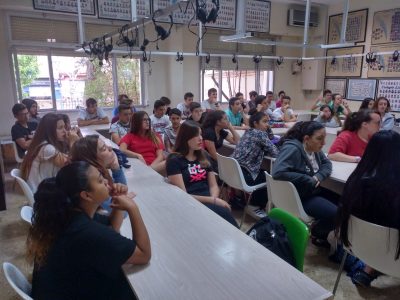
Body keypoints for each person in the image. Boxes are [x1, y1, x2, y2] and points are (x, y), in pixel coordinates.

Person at [28, 162, 151, 299]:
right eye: (100, 180)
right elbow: (144, 255)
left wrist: (118, 201)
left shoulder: (69, 213)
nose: (106, 181)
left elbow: (112, 227)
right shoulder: (84, 231)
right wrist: (133, 208)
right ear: (86, 195)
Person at [337, 130, 400, 287]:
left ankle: (368, 270)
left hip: (358, 247)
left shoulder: (355, 180)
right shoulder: (393, 188)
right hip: (392, 256)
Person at [273, 121, 339, 243]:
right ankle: (316, 232)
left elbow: (327, 163)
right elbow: (277, 172)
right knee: (338, 214)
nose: (324, 143)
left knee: (346, 202)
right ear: (306, 138)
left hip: (312, 191)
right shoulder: (293, 148)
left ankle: (325, 233)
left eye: (324, 138)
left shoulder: (314, 148)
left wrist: (318, 176)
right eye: (319, 139)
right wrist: (308, 179)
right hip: (300, 197)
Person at [166, 121, 238, 227]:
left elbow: (213, 185)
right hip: (190, 202)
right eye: (195, 135)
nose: (200, 138)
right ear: (185, 138)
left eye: (200, 134)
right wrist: (213, 201)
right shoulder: (175, 160)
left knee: (223, 214)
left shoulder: (203, 155)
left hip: (209, 199)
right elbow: (183, 195)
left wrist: (214, 200)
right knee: (225, 215)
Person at [231, 111, 279, 218]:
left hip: (234, 173)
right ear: (256, 123)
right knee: (270, 177)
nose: (268, 124)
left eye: (268, 122)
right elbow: (276, 153)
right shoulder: (260, 134)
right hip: (244, 175)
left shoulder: (248, 132)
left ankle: (250, 202)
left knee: (262, 173)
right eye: (265, 122)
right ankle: (254, 206)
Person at [20, 113, 79, 192]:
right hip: (43, 194)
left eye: (64, 127)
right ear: (49, 131)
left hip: (43, 188)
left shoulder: (42, 143)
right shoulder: (47, 148)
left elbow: (65, 156)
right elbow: (72, 165)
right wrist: (73, 142)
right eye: (60, 128)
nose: (65, 131)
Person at [71, 134, 127, 212]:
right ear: (92, 159)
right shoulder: (92, 184)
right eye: (104, 148)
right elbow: (123, 209)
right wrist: (116, 169)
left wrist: (115, 167)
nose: (110, 148)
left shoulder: (100, 173)